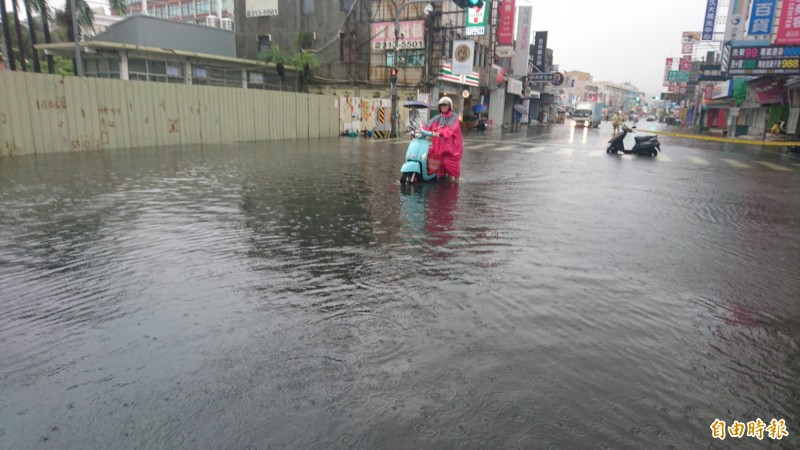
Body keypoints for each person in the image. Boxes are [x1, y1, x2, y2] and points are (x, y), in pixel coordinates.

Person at [422, 96, 463, 182]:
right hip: (438, 147)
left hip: (452, 149)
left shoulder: (454, 117)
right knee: (428, 154)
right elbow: (427, 125)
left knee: (448, 163)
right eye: (442, 106)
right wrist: (418, 130)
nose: (443, 107)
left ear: (450, 107)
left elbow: (450, 129)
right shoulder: (437, 117)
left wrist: (441, 132)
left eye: (445, 105)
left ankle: (456, 180)